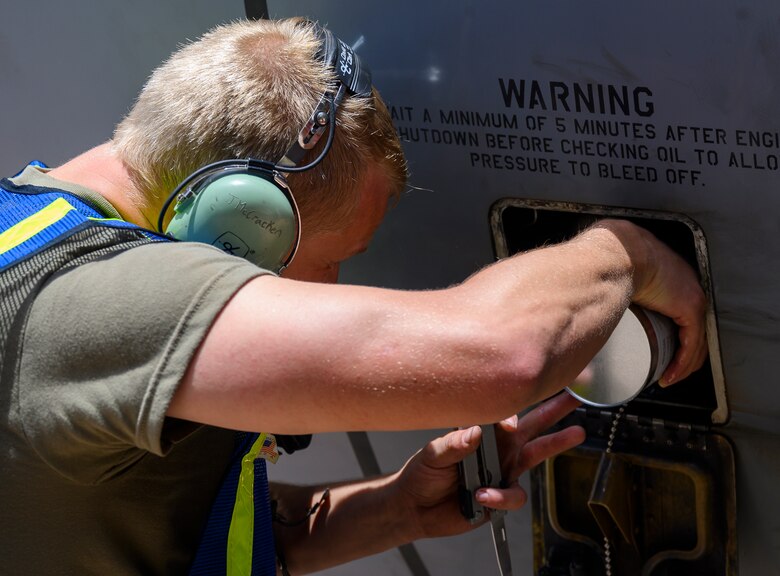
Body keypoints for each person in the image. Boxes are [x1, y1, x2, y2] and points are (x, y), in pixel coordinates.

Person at [0, 17, 707, 576]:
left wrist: (392, 510)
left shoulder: (31, 231)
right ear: (240, 222)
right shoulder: (95, 299)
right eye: (334, 261)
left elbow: (157, 524)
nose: (335, 289)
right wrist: (628, 252)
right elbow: (504, 355)